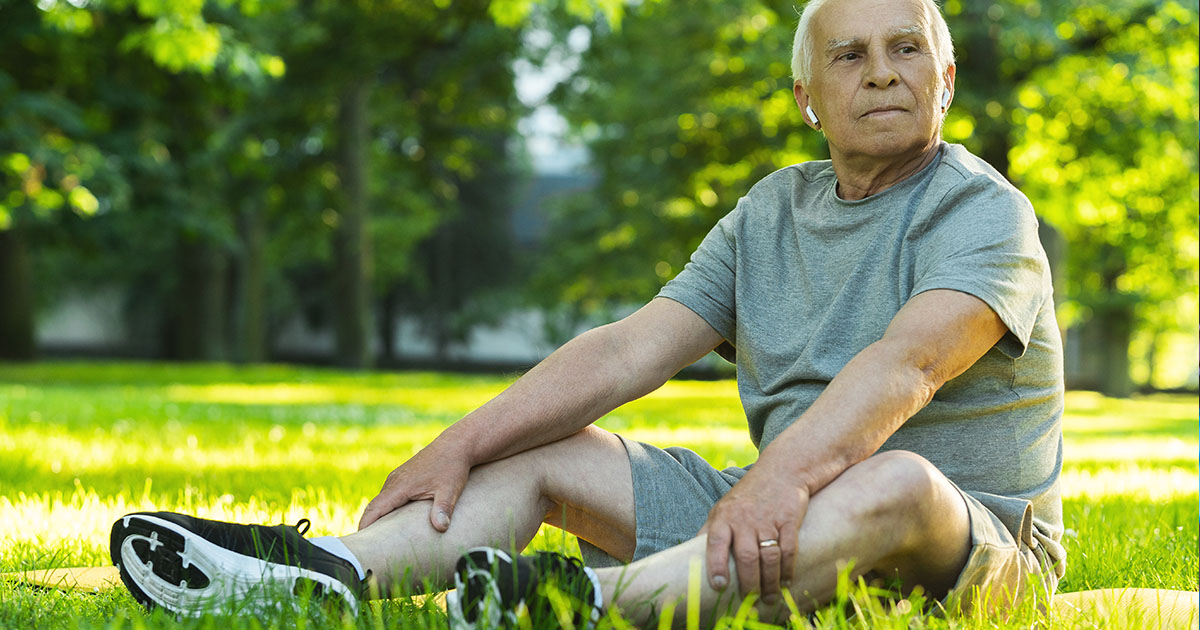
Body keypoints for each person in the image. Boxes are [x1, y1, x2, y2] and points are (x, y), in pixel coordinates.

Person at [109, 0, 1066, 626]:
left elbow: (906, 366)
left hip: (966, 536)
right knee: (547, 452)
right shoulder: (772, 208)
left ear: (944, 80)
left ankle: (579, 606)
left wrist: (777, 481)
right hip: (779, 504)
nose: (884, 72)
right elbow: (626, 351)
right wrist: (461, 441)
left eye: (908, 51)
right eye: (850, 56)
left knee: (894, 478)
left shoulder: (984, 212)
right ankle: (319, 574)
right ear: (809, 98)